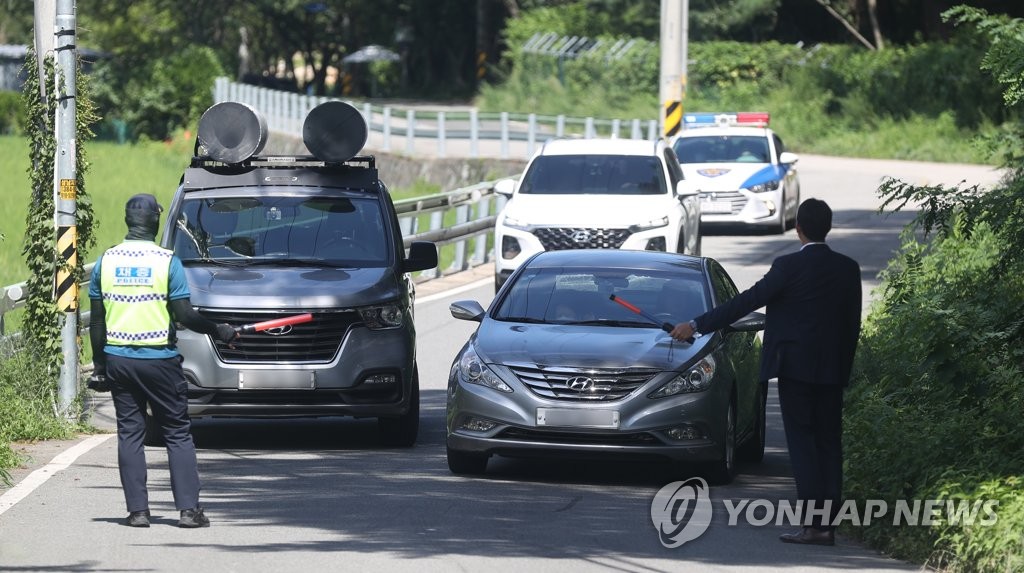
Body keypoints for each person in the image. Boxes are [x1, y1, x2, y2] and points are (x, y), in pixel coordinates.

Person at [670, 198, 861, 547]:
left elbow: (745, 302)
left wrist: (696, 325)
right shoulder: (847, 269)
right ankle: (828, 525)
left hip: (794, 370)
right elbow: (852, 326)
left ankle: (812, 526)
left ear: (798, 229)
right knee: (830, 444)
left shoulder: (787, 267)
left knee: (803, 444)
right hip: (832, 372)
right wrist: (843, 369)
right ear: (827, 228)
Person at [89, 194, 237, 529]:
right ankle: (188, 511)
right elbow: (185, 314)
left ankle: (138, 512)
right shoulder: (167, 262)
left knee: (130, 433)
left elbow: (96, 323)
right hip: (159, 359)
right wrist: (219, 330)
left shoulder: (106, 261)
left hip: (119, 359)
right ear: (156, 222)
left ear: (128, 221)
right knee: (177, 432)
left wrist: (100, 366)